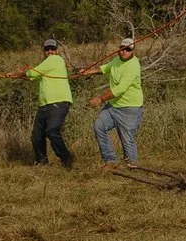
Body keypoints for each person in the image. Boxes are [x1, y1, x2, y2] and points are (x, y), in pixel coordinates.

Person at [82, 35, 146, 166]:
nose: (124, 51)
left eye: (128, 49)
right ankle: (111, 161)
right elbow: (105, 68)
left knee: (127, 139)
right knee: (99, 126)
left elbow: (120, 89)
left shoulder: (133, 65)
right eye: (122, 48)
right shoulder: (117, 59)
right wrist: (89, 72)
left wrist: (100, 98)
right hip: (113, 106)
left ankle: (133, 166)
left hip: (130, 108)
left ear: (133, 51)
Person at [24, 38, 75, 168]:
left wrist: (23, 71)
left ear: (57, 51)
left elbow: (32, 73)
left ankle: (66, 158)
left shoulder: (55, 60)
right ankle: (42, 162)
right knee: (37, 136)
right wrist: (24, 73)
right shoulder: (44, 63)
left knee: (52, 131)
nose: (50, 51)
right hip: (45, 104)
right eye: (47, 49)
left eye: (53, 49)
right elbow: (32, 75)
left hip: (58, 102)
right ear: (44, 51)